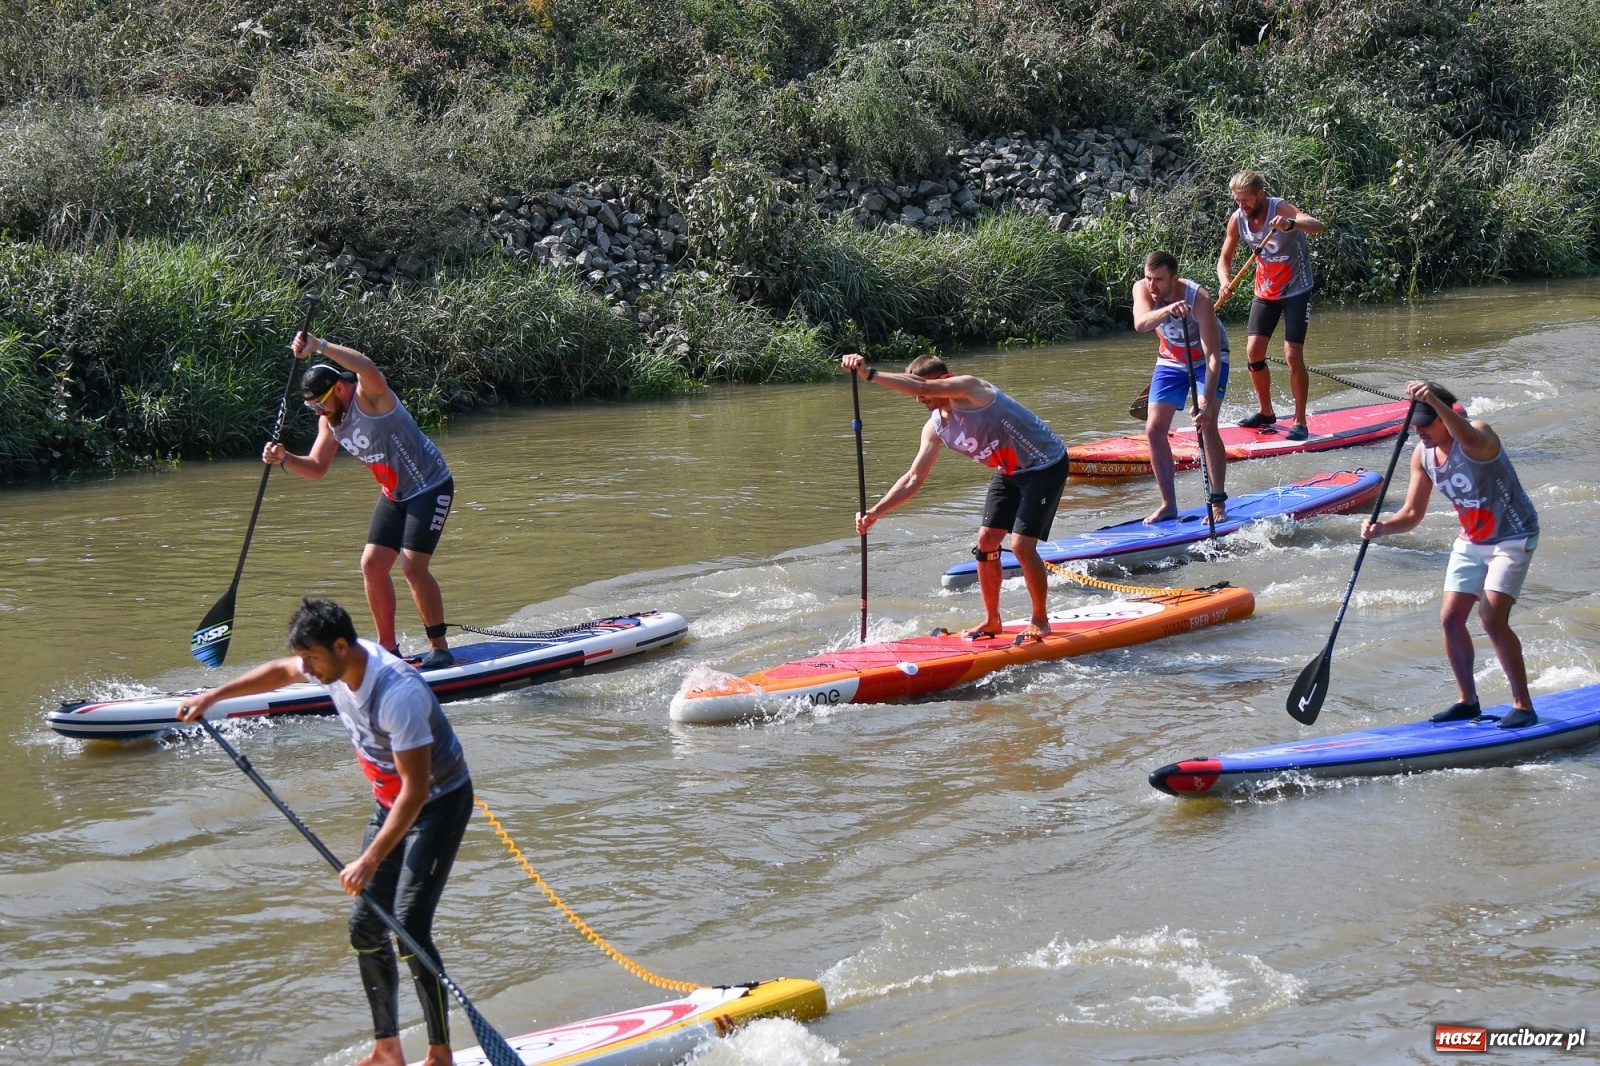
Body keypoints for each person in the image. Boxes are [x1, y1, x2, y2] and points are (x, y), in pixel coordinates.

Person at [177, 598, 474, 1066]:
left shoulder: (398, 693)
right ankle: (388, 1050)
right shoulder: (328, 666)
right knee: (365, 928)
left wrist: (370, 859)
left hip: (437, 804)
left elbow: (416, 792)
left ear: (341, 646)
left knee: (410, 926)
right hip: (389, 805)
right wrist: (213, 697)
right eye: (305, 660)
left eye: (313, 658)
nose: (307, 669)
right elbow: (279, 670)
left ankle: (440, 1053)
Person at [841, 352, 1069, 641]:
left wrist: (868, 374)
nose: (918, 398)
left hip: (1046, 464)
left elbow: (922, 387)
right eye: (913, 391)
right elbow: (913, 479)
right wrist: (874, 513)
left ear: (945, 380)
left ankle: (1040, 619)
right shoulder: (936, 427)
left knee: (1021, 545)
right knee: (986, 541)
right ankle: (991, 620)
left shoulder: (972, 389)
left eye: (920, 389)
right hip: (1010, 470)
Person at [267, 332, 456, 668]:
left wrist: (319, 346)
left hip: (430, 485)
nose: (317, 412)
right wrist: (284, 458)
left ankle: (439, 647)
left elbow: (365, 366)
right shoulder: (331, 421)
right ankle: (388, 649)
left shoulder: (371, 397)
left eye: (319, 404)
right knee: (371, 565)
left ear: (339, 388)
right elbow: (316, 468)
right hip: (394, 494)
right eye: (311, 407)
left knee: (412, 566)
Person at [1361, 382, 1540, 729]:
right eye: (1415, 425)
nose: (1420, 432)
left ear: (1446, 418)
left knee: (1491, 618)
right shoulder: (1422, 455)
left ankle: (1523, 705)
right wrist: (1382, 528)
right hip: (1471, 539)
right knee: (1450, 619)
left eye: (1426, 423)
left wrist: (1433, 400)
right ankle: (1467, 702)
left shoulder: (1479, 434)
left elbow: (1469, 440)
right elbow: (1412, 513)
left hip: (1512, 536)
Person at [1216, 170, 1324, 442]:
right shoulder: (1237, 220)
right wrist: (1225, 282)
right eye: (1237, 200)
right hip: (1265, 291)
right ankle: (1266, 412)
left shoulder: (1279, 207)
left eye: (1246, 200)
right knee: (1253, 352)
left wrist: (1291, 223)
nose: (1242, 206)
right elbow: (1224, 259)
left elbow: (1316, 225)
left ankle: (1300, 421)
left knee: (1292, 354)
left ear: (1260, 195)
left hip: (1297, 289)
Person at [1131, 250, 1229, 525]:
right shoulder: (1142, 289)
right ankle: (1168, 505)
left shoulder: (1200, 298)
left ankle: (1218, 501)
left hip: (1207, 361)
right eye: (1149, 278)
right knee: (1153, 430)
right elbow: (1140, 324)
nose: (1152, 285)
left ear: (1175, 279)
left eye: (1159, 280)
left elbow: (1212, 356)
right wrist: (1167, 309)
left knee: (1206, 425)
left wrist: (1207, 400)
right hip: (1171, 360)